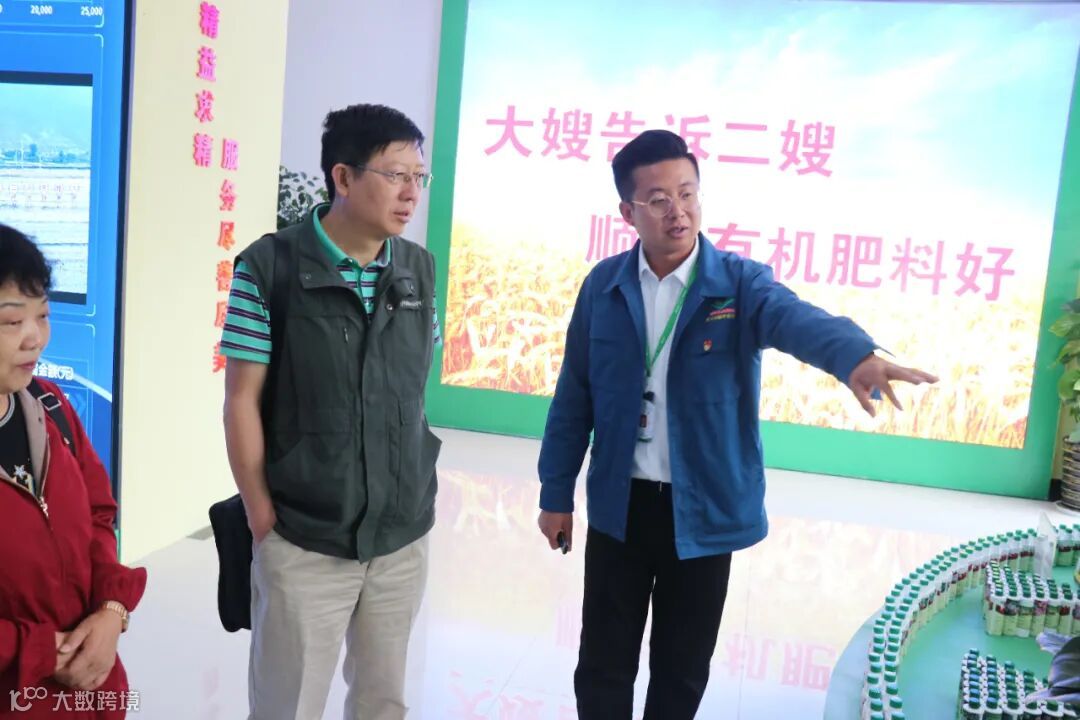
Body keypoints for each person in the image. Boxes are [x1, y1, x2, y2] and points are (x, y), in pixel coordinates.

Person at [536, 130, 938, 720]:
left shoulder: (739, 284)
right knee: (602, 663)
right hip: (622, 507)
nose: (678, 211)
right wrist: (555, 494)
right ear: (627, 212)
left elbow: (795, 319)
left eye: (687, 193)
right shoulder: (604, 286)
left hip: (705, 509)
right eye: (658, 200)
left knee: (681, 669)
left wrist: (854, 356)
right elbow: (574, 396)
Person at [221, 103, 442, 720]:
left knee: (383, 701)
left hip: (399, 536)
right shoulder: (270, 268)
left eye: (418, 177)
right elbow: (240, 402)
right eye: (395, 175)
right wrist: (263, 519)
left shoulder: (418, 270)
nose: (411, 193)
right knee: (287, 705)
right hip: (304, 536)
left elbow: (412, 392)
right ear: (342, 177)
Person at [0, 223, 146, 718]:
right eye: (12, 321)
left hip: (92, 694)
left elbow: (99, 516)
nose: (35, 339)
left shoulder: (50, 406)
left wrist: (111, 610)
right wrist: (43, 650)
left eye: (42, 315)